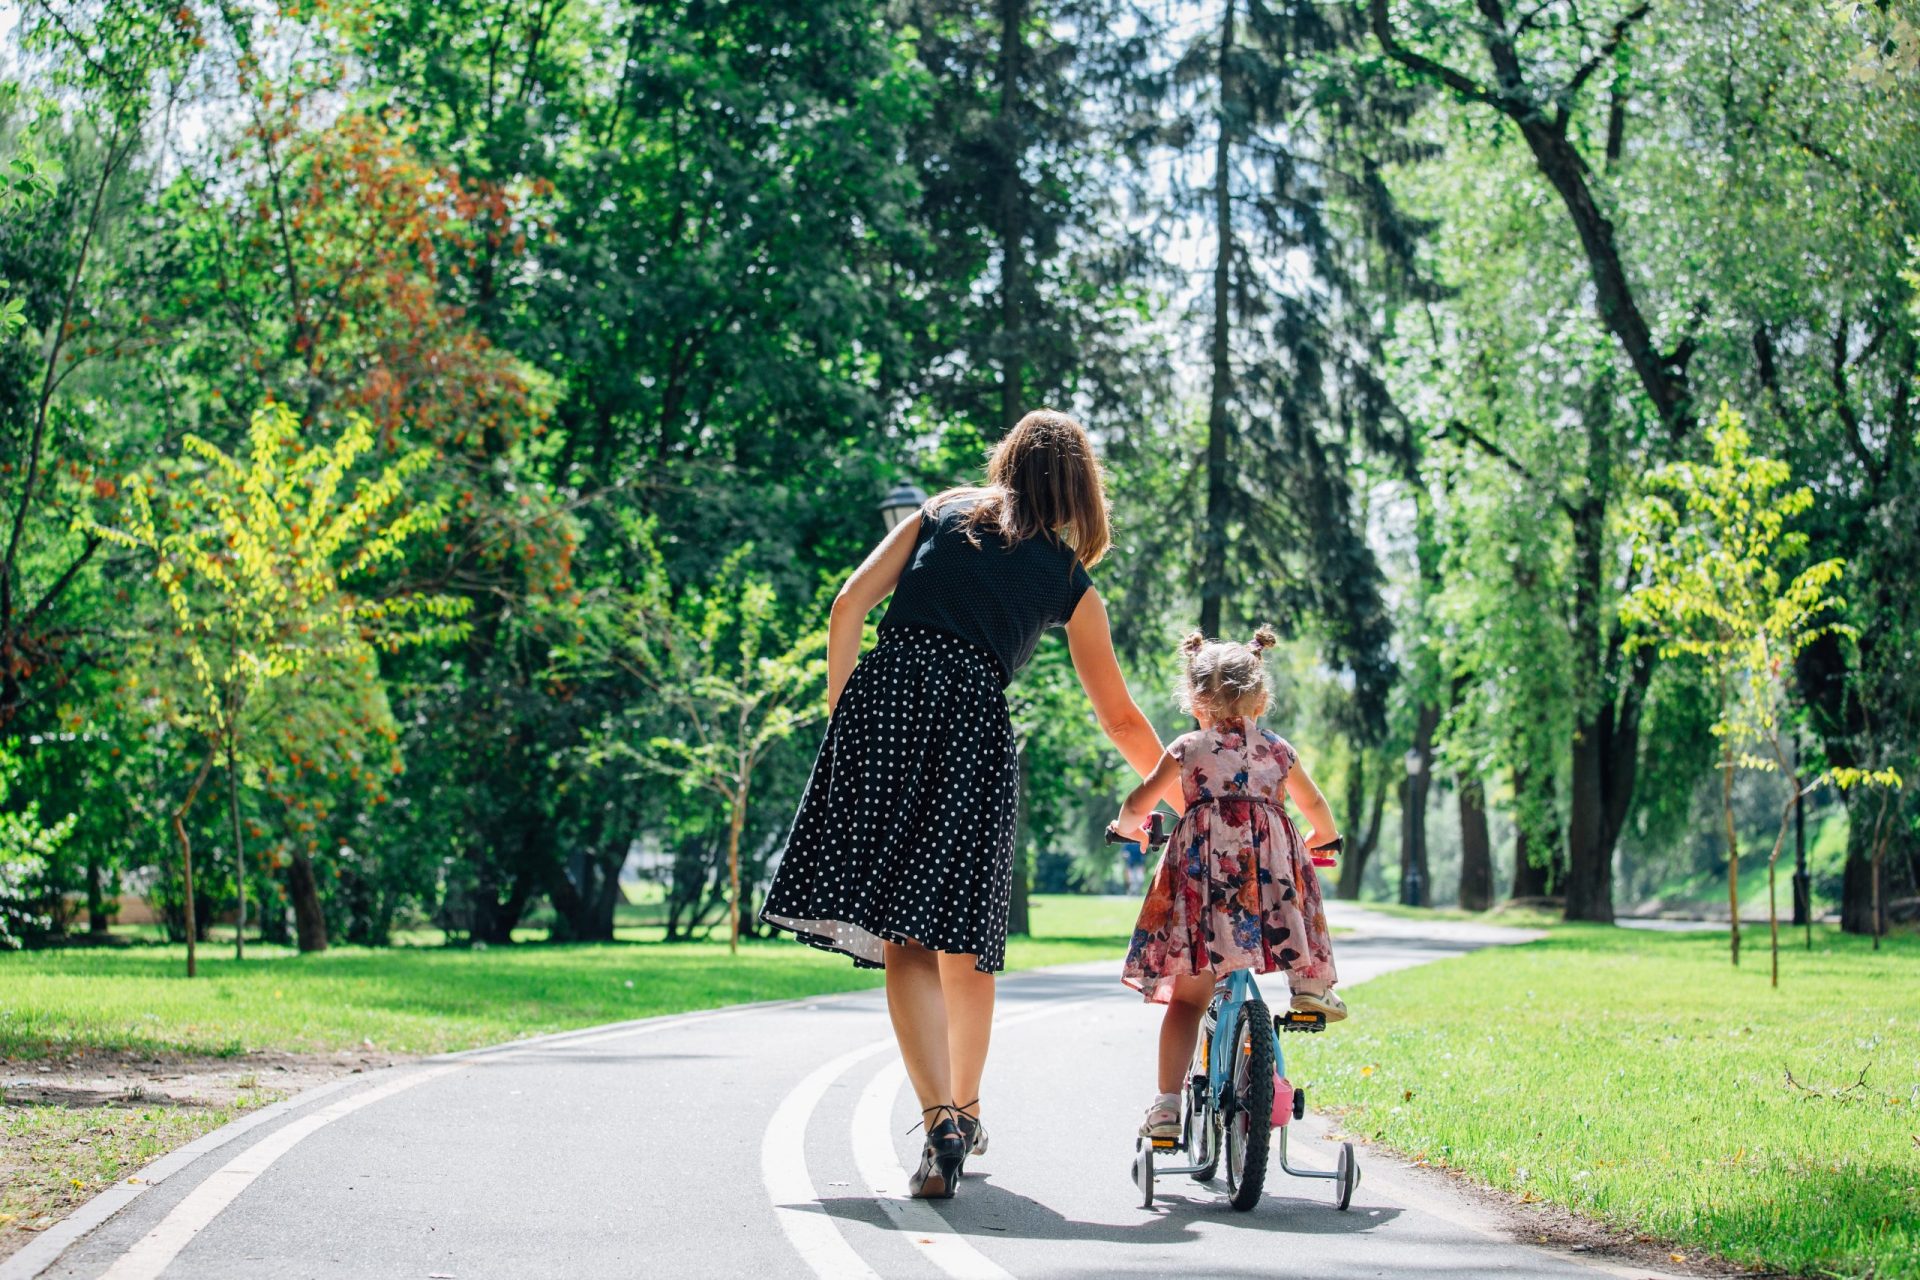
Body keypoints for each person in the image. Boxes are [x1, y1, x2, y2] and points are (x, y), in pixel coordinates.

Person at [760, 410, 1167, 1199]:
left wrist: (847, 713)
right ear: (1082, 486)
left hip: (884, 710)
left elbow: (848, 606)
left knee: (902, 935)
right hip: (970, 731)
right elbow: (1118, 717)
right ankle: (967, 1111)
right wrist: (1184, 785)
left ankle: (942, 1115)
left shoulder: (942, 512)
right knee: (962, 936)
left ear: (1007, 463)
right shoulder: (1068, 581)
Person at [1111, 627, 1344, 1141]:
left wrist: (1126, 830)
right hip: (1268, 879)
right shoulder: (1279, 752)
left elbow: (1137, 804)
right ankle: (1308, 988)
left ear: (1195, 699)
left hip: (1203, 882)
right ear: (1261, 697)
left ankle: (1167, 1106)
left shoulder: (1188, 748)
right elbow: (1318, 810)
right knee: (1291, 911)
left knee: (1189, 1000)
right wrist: (1320, 839)